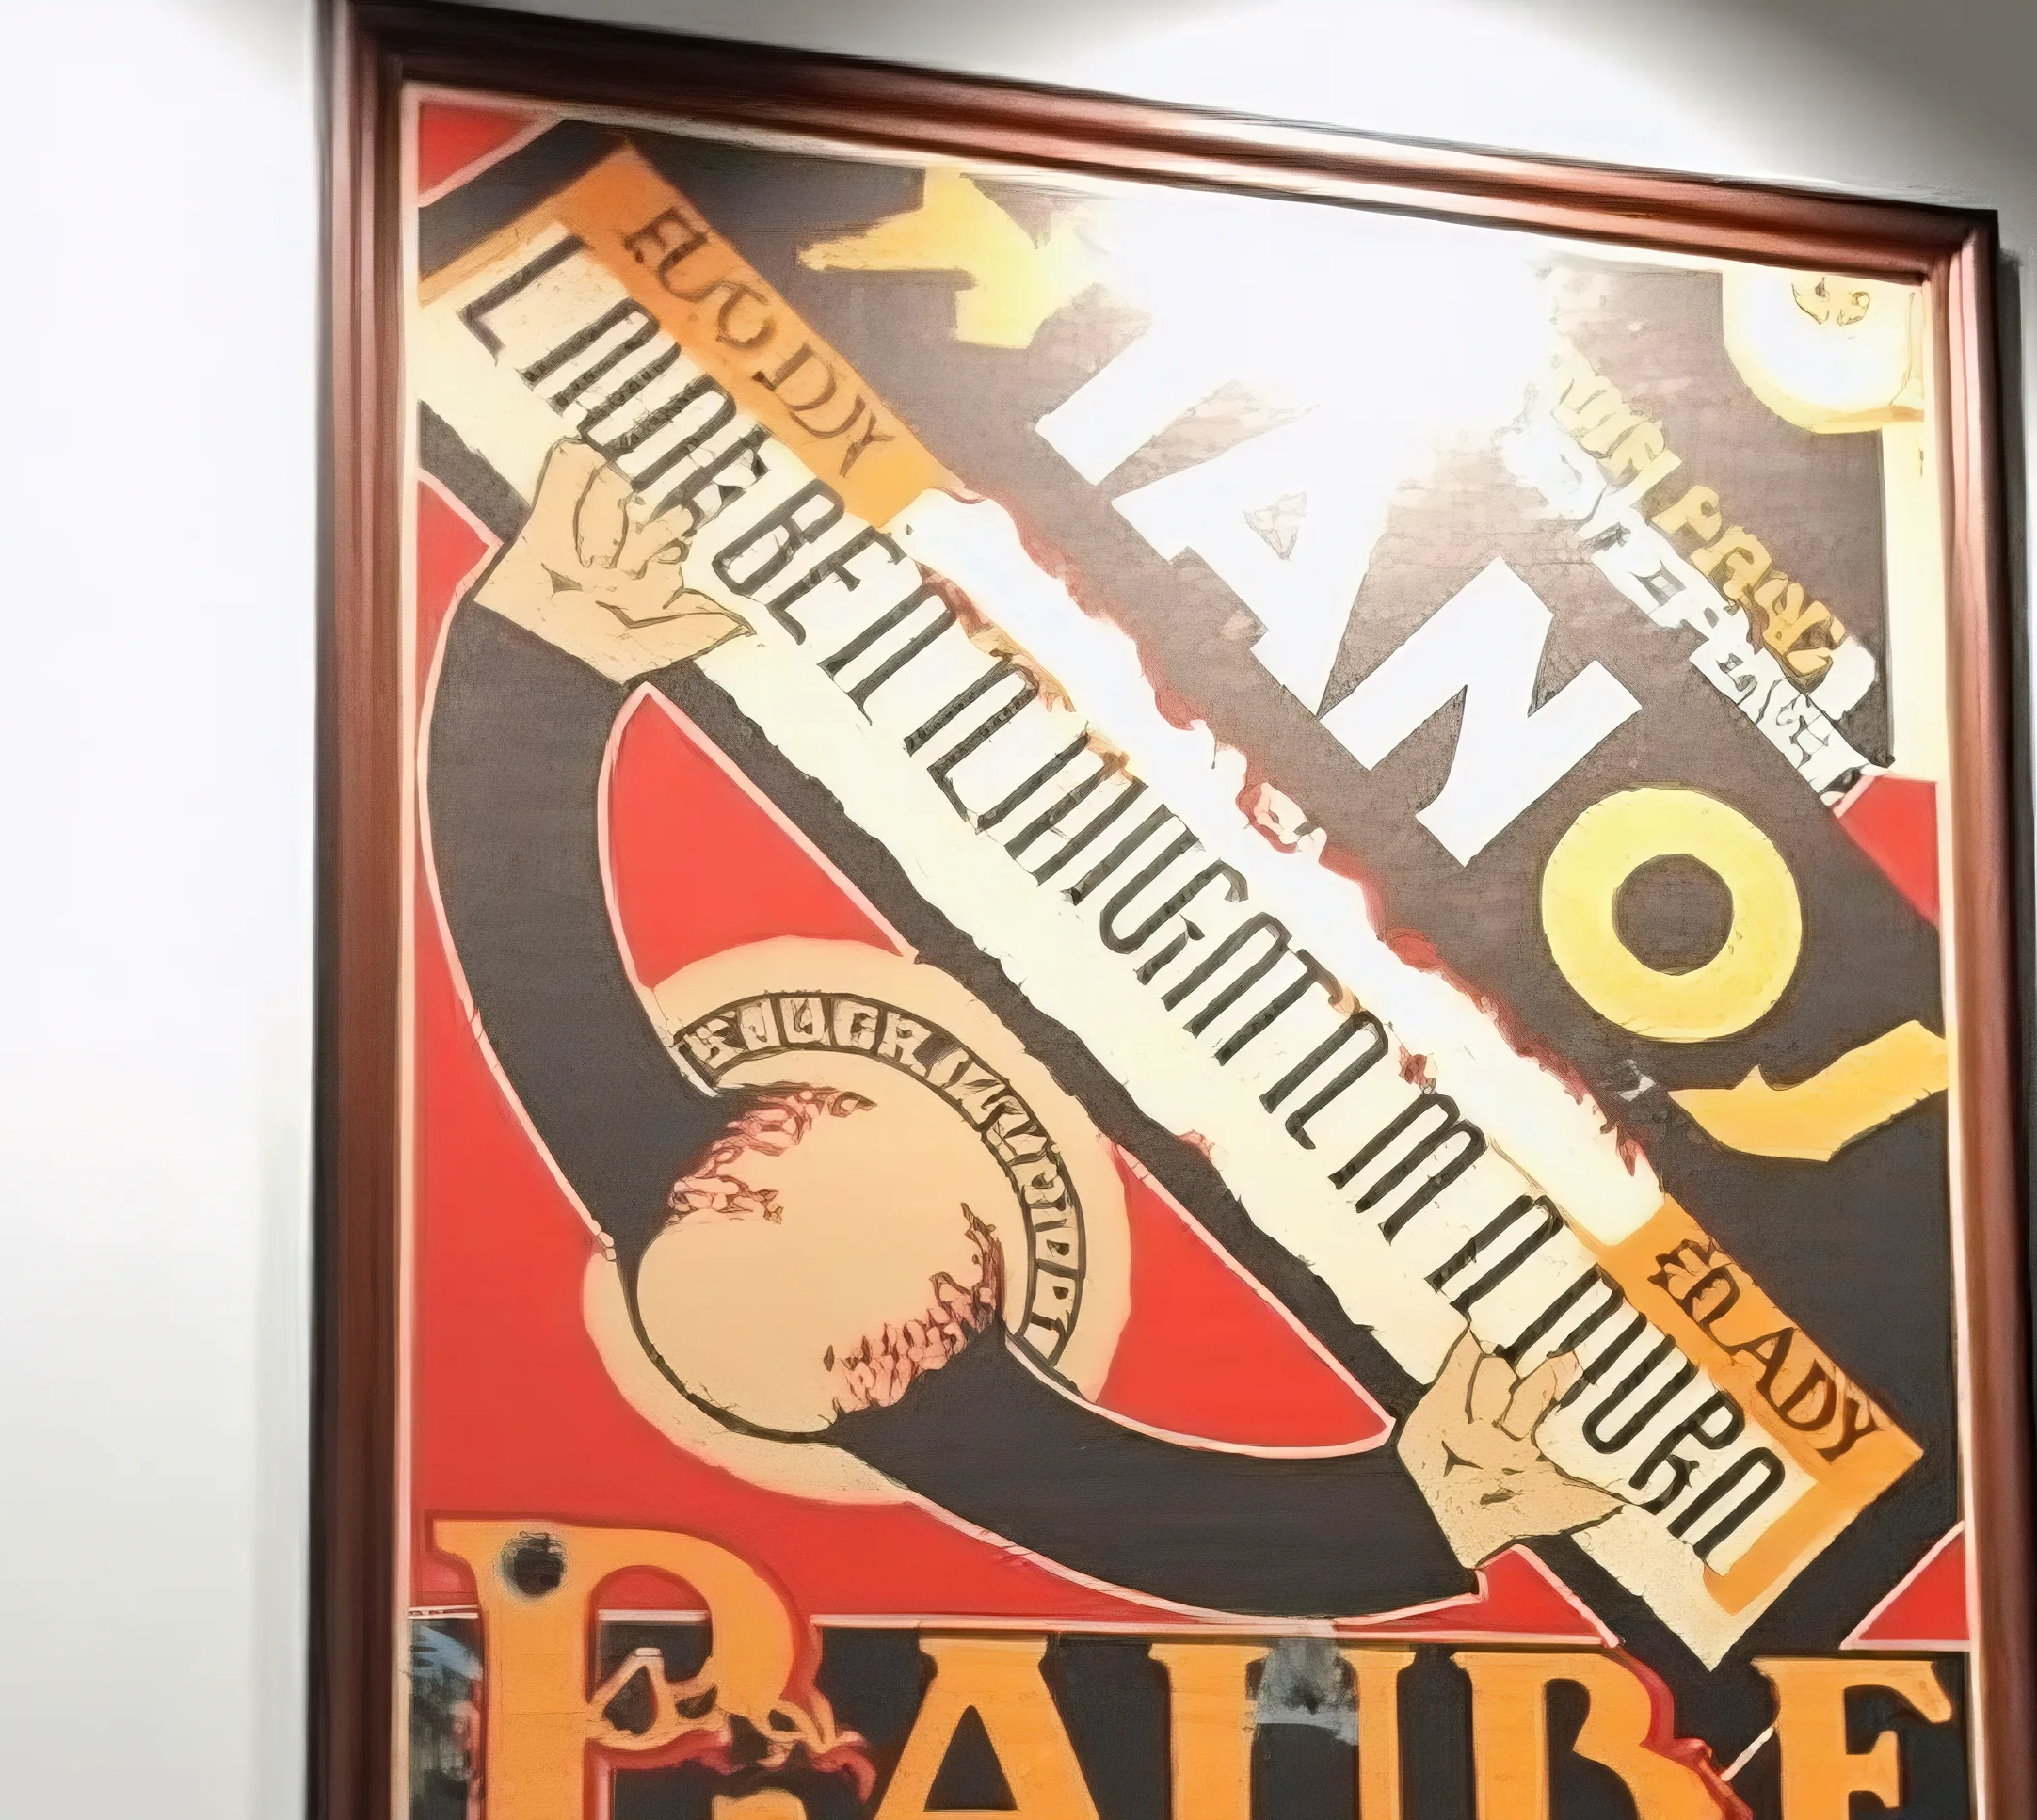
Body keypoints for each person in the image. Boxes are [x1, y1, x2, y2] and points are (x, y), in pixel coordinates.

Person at [427, 439, 1607, 1620]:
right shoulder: (948, 1405)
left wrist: (537, 662)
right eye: (763, 1209)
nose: (730, 1176)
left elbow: (525, 939)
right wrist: (1420, 1511)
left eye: (712, 1194)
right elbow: (1130, 1518)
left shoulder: (664, 1143)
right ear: (906, 1347)